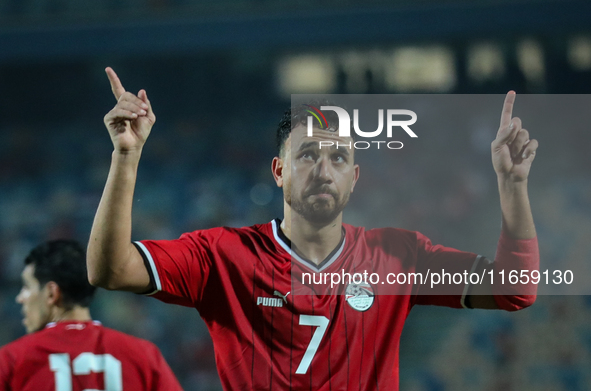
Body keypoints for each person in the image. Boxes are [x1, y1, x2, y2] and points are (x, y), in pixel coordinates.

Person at [87, 67, 539, 390]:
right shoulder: (223, 255)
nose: (324, 170)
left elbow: (515, 289)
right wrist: (126, 156)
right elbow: (110, 270)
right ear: (279, 170)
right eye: (307, 155)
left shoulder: (400, 256)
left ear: (355, 177)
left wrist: (513, 184)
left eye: (338, 158)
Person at [0, 239, 183, 391]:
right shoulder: (144, 355)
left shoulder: (13, 359)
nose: (20, 298)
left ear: (51, 293)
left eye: (26, 287)